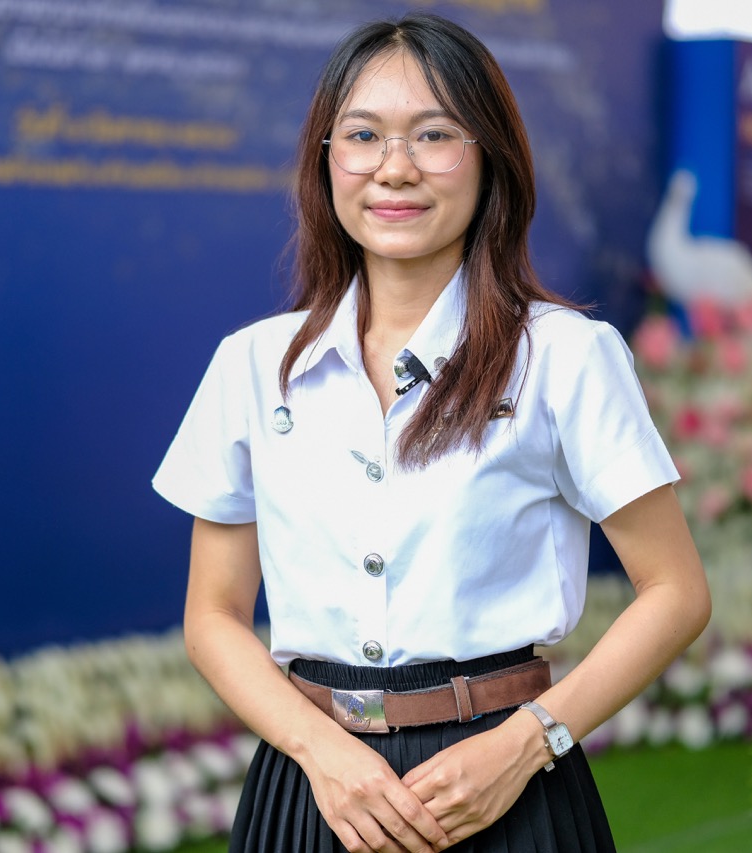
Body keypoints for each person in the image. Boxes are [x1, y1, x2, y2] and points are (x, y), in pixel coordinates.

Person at [153, 11, 710, 852]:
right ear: (325, 160)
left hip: (505, 787)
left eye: (435, 135)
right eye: (362, 136)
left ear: (491, 158)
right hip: (313, 787)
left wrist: (528, 743)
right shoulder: (253, 364)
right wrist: (320, 752)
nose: (395, 167)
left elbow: (676, 591)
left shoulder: (564, 355)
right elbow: (213, 615)